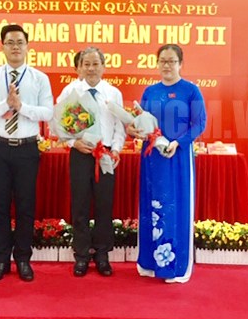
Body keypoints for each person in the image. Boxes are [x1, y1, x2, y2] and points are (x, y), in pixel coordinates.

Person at [0, 24, 53, 282]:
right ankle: (1, 260)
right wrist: (5, 105)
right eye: (10, 42)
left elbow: (48, 112)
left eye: (20, 42)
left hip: (27, 148)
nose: (15, 47)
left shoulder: (39, 78)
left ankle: (22, 259)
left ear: (27, 46)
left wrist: (21, 107)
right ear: (2, 47)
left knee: (25, 206)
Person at [127, 44, 206, 284]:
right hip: (152, 158)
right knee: (152, 206)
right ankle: (150, 263)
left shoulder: (191, 91)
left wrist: (178, 142)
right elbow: (142, 123)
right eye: (163, 61)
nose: (167, 65)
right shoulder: (150, 92)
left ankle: (175, 266)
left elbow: (199, 124)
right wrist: (134, 130)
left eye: (172, 61)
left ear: (180, 64)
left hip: (178, 157)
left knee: (176, 205)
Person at [57, 47, 125, 277]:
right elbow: (59, 126)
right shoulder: (70, 91)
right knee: (80, 206)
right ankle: (82, 255)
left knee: (105, 206)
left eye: (95, 64)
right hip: (80, 153)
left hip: (105, 155)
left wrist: (115, 150)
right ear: (78, 68)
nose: (91, 69)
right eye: (86, 64)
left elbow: (119, 127)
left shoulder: (113, 93)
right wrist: (72, 143)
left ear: (103, 67)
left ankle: (103, 255)